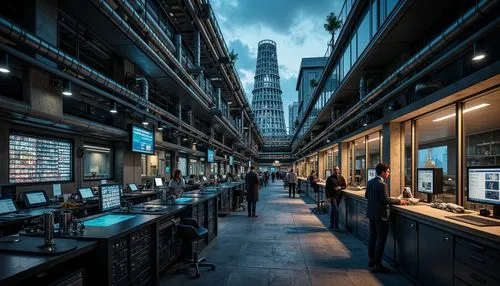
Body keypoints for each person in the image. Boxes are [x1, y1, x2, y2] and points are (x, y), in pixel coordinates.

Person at [365, 163, 408, 273]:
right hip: (381, 216)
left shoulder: (370, 182)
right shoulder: (382, 184)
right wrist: (399, 201)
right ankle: (377, 265)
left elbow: (366, 196)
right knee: (380, 240)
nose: (389, 173)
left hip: (372, 214)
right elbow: (385, 200)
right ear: (383, 172)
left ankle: (371, 260)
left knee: (372, 237)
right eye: (388, 171)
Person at [325, 166, 347, 231]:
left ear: (339, 170)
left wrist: (340, 187)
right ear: (333, 170)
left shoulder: (341, 177)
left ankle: (331, 225)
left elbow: (344, 186)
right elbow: (327, 189)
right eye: (335, 170)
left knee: (333, 210)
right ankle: (336, 226)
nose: (336, 171)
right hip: (332, 196)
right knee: (336, 210)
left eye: (337, 169)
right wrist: (328, 197)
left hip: (339, 196)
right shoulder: (330, 178)